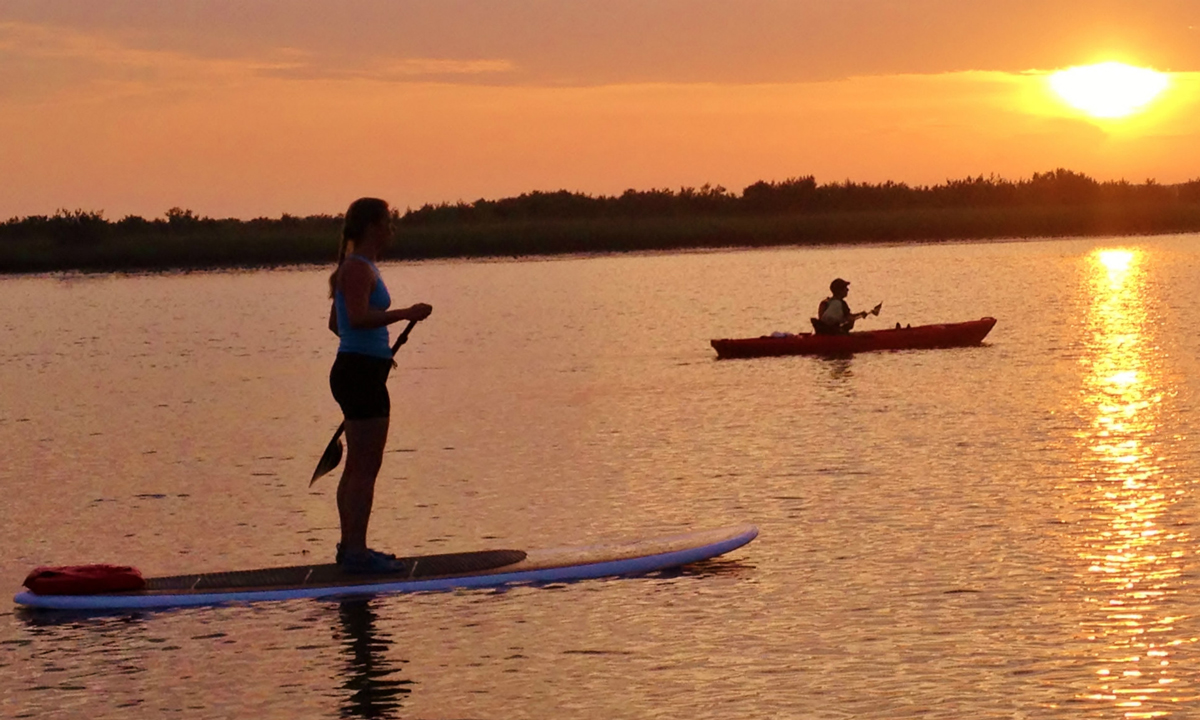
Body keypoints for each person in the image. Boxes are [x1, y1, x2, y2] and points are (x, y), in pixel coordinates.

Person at [327, 197, 433, 573]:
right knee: (364, 466)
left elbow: (336, 324)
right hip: (359, 373)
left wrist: (377, 349)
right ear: (373, 226)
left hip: (361, 370)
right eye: (387, 220)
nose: (392, 227)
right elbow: (354, 319)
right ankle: (355, 553)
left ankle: (352, 548)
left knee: (358, 464)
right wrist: (406, 313)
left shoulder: (358, 267)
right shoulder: (357, 269)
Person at [811, 278, 881, 335]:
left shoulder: (824, 303)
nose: (848, 290)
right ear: (840, 291)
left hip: (823, 333)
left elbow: (823, 320)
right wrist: (860, 315)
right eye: (845, 288)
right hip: (836, 334)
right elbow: (849, 320)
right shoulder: (842, 304)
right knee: (867, 336)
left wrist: (860, 314)